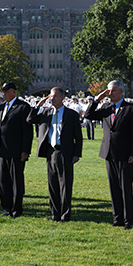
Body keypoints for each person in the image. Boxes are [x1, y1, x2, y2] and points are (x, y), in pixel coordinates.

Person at [84, 80, 133, 229]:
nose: (110, 94)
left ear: (121, 91)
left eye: (113, 91)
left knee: (125, 188)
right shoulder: (106, 107)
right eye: (108, 91)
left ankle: (129, 220)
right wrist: (96, 99)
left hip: (125, 154)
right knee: (114, 187)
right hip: (109, 152)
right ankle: (117, 219)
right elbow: (89, 115)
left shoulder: (130, 109)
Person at [27, 87, 83, 222]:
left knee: (65, 184)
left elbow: (78, 137)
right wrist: (37, 106)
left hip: (65, 152)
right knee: (52, 184)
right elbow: (30, 119)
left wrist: (77, 154)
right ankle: (55, 213)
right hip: (50, 152)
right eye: (51, 96)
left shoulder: (71, 114)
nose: (52, 98)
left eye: (55, 96)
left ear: (63, 97)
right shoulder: (46, 112)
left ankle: (65, 214)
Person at [0, 82, 33, 218]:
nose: (4, 94)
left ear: (14, 92)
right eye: (3, 91)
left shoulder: (22, 107)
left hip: (16, 150)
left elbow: (27, 131)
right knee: (3, 180)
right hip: (0, 149)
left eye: (6, 91)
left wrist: (25, 150)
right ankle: (7, 207)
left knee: (16, 181)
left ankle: (16, 209)